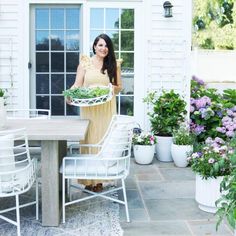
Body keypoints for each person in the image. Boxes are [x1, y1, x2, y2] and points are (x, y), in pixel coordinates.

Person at [69, 33, 122, 192]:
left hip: (106, 108)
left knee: (104, 141)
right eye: (100, 45)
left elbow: (119, 87)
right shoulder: (85, 63)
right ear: (94, 46)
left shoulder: (113, 64)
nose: (104, 48)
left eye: (106, 46)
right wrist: (69, 95)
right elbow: (77, 85)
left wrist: (111, 89)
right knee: (90, 138)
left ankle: (100, 179)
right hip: (89, 109)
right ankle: (88, 180)